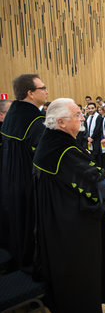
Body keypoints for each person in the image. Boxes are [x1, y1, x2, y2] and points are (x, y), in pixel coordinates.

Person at [32, 98, 105, 313]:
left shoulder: (48, 142)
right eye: (77, 115)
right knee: (82, 272)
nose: (82, 118)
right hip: (75, 227)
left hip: (56, 221)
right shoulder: (65, 150)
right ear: (61, 122)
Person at [0, 74, 47, 269]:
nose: (46, 91)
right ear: (30, 93)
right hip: (28, 182)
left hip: (10, 178)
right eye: (42, 88)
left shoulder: (13, 113)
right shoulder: (34, 120)